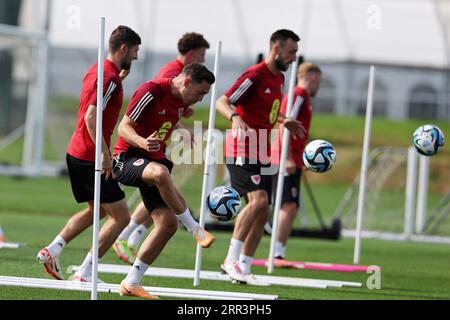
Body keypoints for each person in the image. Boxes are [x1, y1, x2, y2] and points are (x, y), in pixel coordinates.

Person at [36, 26, 141, 282]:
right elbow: (92, 116)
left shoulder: (99, 69)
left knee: (99, 211)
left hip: (76, 152)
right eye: (135, 50)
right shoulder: (110, 78)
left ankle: (53, 249)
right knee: (122, 217)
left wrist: (119, 80)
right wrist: (104, 155)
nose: (137, 57)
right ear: (124, 48)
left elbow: (97, 100)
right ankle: (85, 273)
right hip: (90, 155)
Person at [112, 63, 216, 299]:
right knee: (160, 174)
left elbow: (168, 116)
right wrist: (141, 142)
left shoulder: (182, 100)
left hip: (153, 160)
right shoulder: (151, 91)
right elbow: (123, 127)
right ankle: (195, 228)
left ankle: (132, 282)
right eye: (200, 93)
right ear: (187, 81)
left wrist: (183, 130)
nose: (200, 99)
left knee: (168, 224)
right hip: (126, 158)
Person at [216, 29, 304, 285]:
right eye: (291, 52)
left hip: (261, 151)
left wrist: (283, 120)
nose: (293, 58)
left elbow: (266, 112)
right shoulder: (255, 75)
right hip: (241, 149)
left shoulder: (279, 80)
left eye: (296, 53)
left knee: (263, 210)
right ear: (276, 48)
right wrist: (235, 117)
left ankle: (242, 266)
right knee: (258, 201)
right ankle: (229, 260)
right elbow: (223, 101)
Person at [271, 62, 322, 264]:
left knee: (291, 206)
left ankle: (278, 251)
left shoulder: (303, 97)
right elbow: (285, 123)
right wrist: (289, 158)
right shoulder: (299, 94)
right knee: (288, 206)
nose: (319, 86)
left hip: (292, 158)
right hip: (284, 159)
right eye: (320, 81)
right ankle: (276, 254)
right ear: (312, 77)